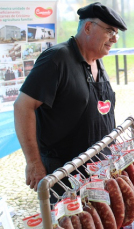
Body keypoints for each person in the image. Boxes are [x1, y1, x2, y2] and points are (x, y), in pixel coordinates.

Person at [13, 2, 127, 200]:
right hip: (66, 174)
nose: (115, 39)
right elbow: (23, 106)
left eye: (116, 33)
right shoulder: (57, 59)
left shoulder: (97, 60)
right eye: (110, 31)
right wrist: (33, 162)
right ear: (88, 27)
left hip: (98, 168)